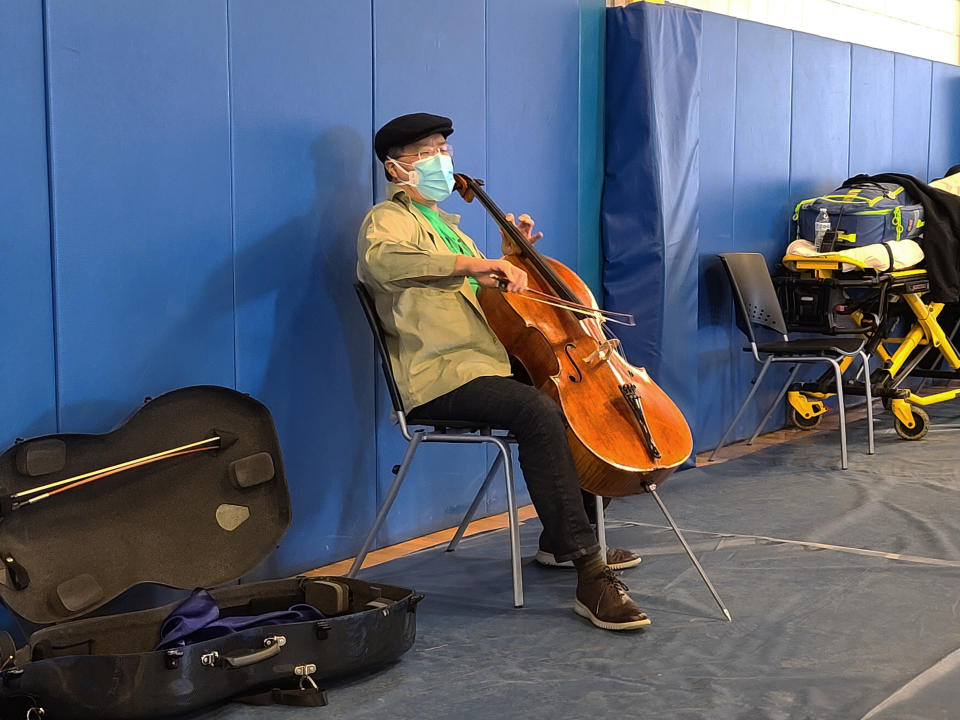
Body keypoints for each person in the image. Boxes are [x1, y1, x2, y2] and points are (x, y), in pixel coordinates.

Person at [356, 112, 649, 631]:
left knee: (565, 400)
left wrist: (512, 255)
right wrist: (475, 267)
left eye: (444, 148)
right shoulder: (388, 220)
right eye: (427, 152)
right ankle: (589, 571)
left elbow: (494, 305)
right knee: (535, 409)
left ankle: (560, 542)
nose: (442, 159)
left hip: (484, 368)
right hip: (439, 379)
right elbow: (381, 264)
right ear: (396, 168)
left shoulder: (451, 230)